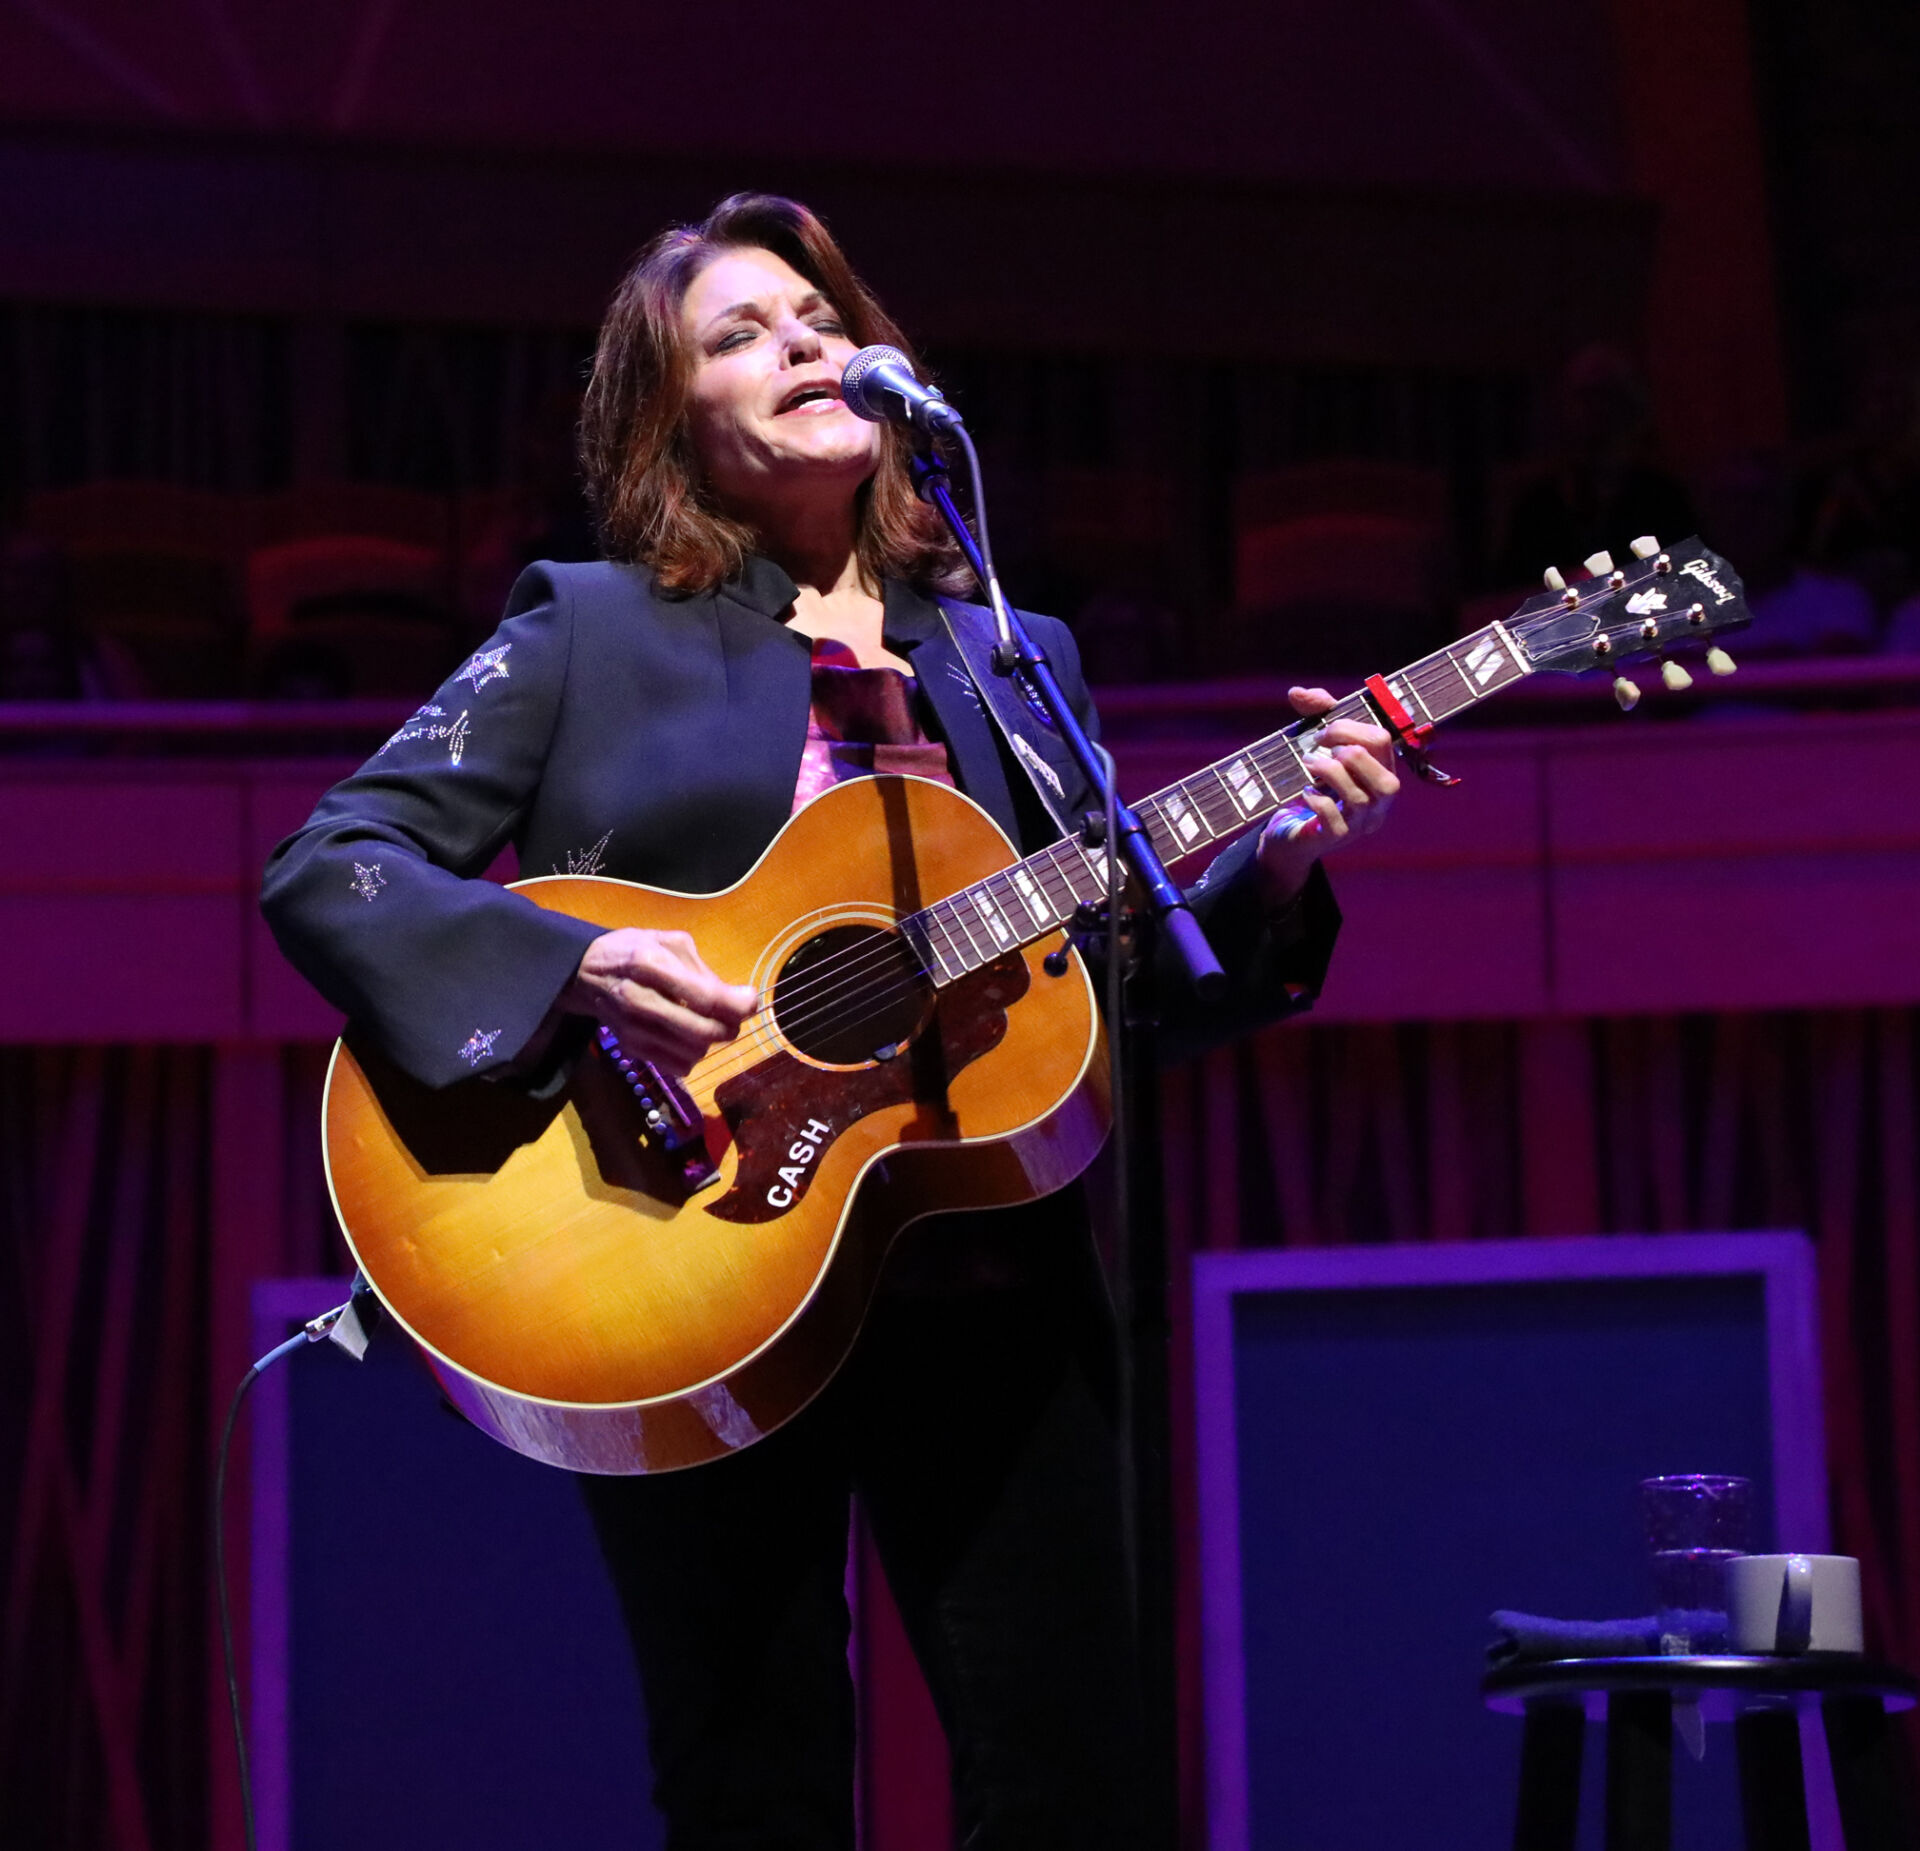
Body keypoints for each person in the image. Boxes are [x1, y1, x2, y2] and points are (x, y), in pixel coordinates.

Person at [261, 193, 1399, 1850]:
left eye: (817, 315)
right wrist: (566, 965)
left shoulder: (1014, 655)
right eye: (740, 333)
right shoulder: (586, 628)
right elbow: (332, 865)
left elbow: (1096, 1007)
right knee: (754, 1784)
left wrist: (1278, 869)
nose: (801, 342)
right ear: (673, 424)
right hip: (682, 1256)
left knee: (1077, 1780)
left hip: (993, 1291)